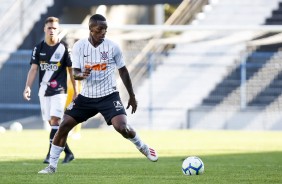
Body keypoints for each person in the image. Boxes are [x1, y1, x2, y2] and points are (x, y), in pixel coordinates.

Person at [38, 14, 158, 174]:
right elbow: (76, 73)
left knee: (121, 127)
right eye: (99, 29)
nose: (103, 33)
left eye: (105, 30)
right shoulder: (80, 46)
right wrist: (83, 74)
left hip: (109, 96)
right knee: (63, 126)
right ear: (90, 29)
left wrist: (132, 95)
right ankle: (51, 167)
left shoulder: (112, 47)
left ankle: (142, 146)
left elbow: (123, 71)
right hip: (86, 97)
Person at [23, 17, 77, 164]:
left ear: (58, 29)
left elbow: (71, 70)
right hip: (43, 91)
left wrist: (76, 91)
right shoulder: (38, 48)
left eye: (54, 28)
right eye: (49, 28)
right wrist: (27, 86)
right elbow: (33, 69)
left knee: (55, 121)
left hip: (60, 91)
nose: (52, 30)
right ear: (44, 29)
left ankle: (50, 155)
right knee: (53, 125)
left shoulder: (64, 48)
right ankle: (69, 153)